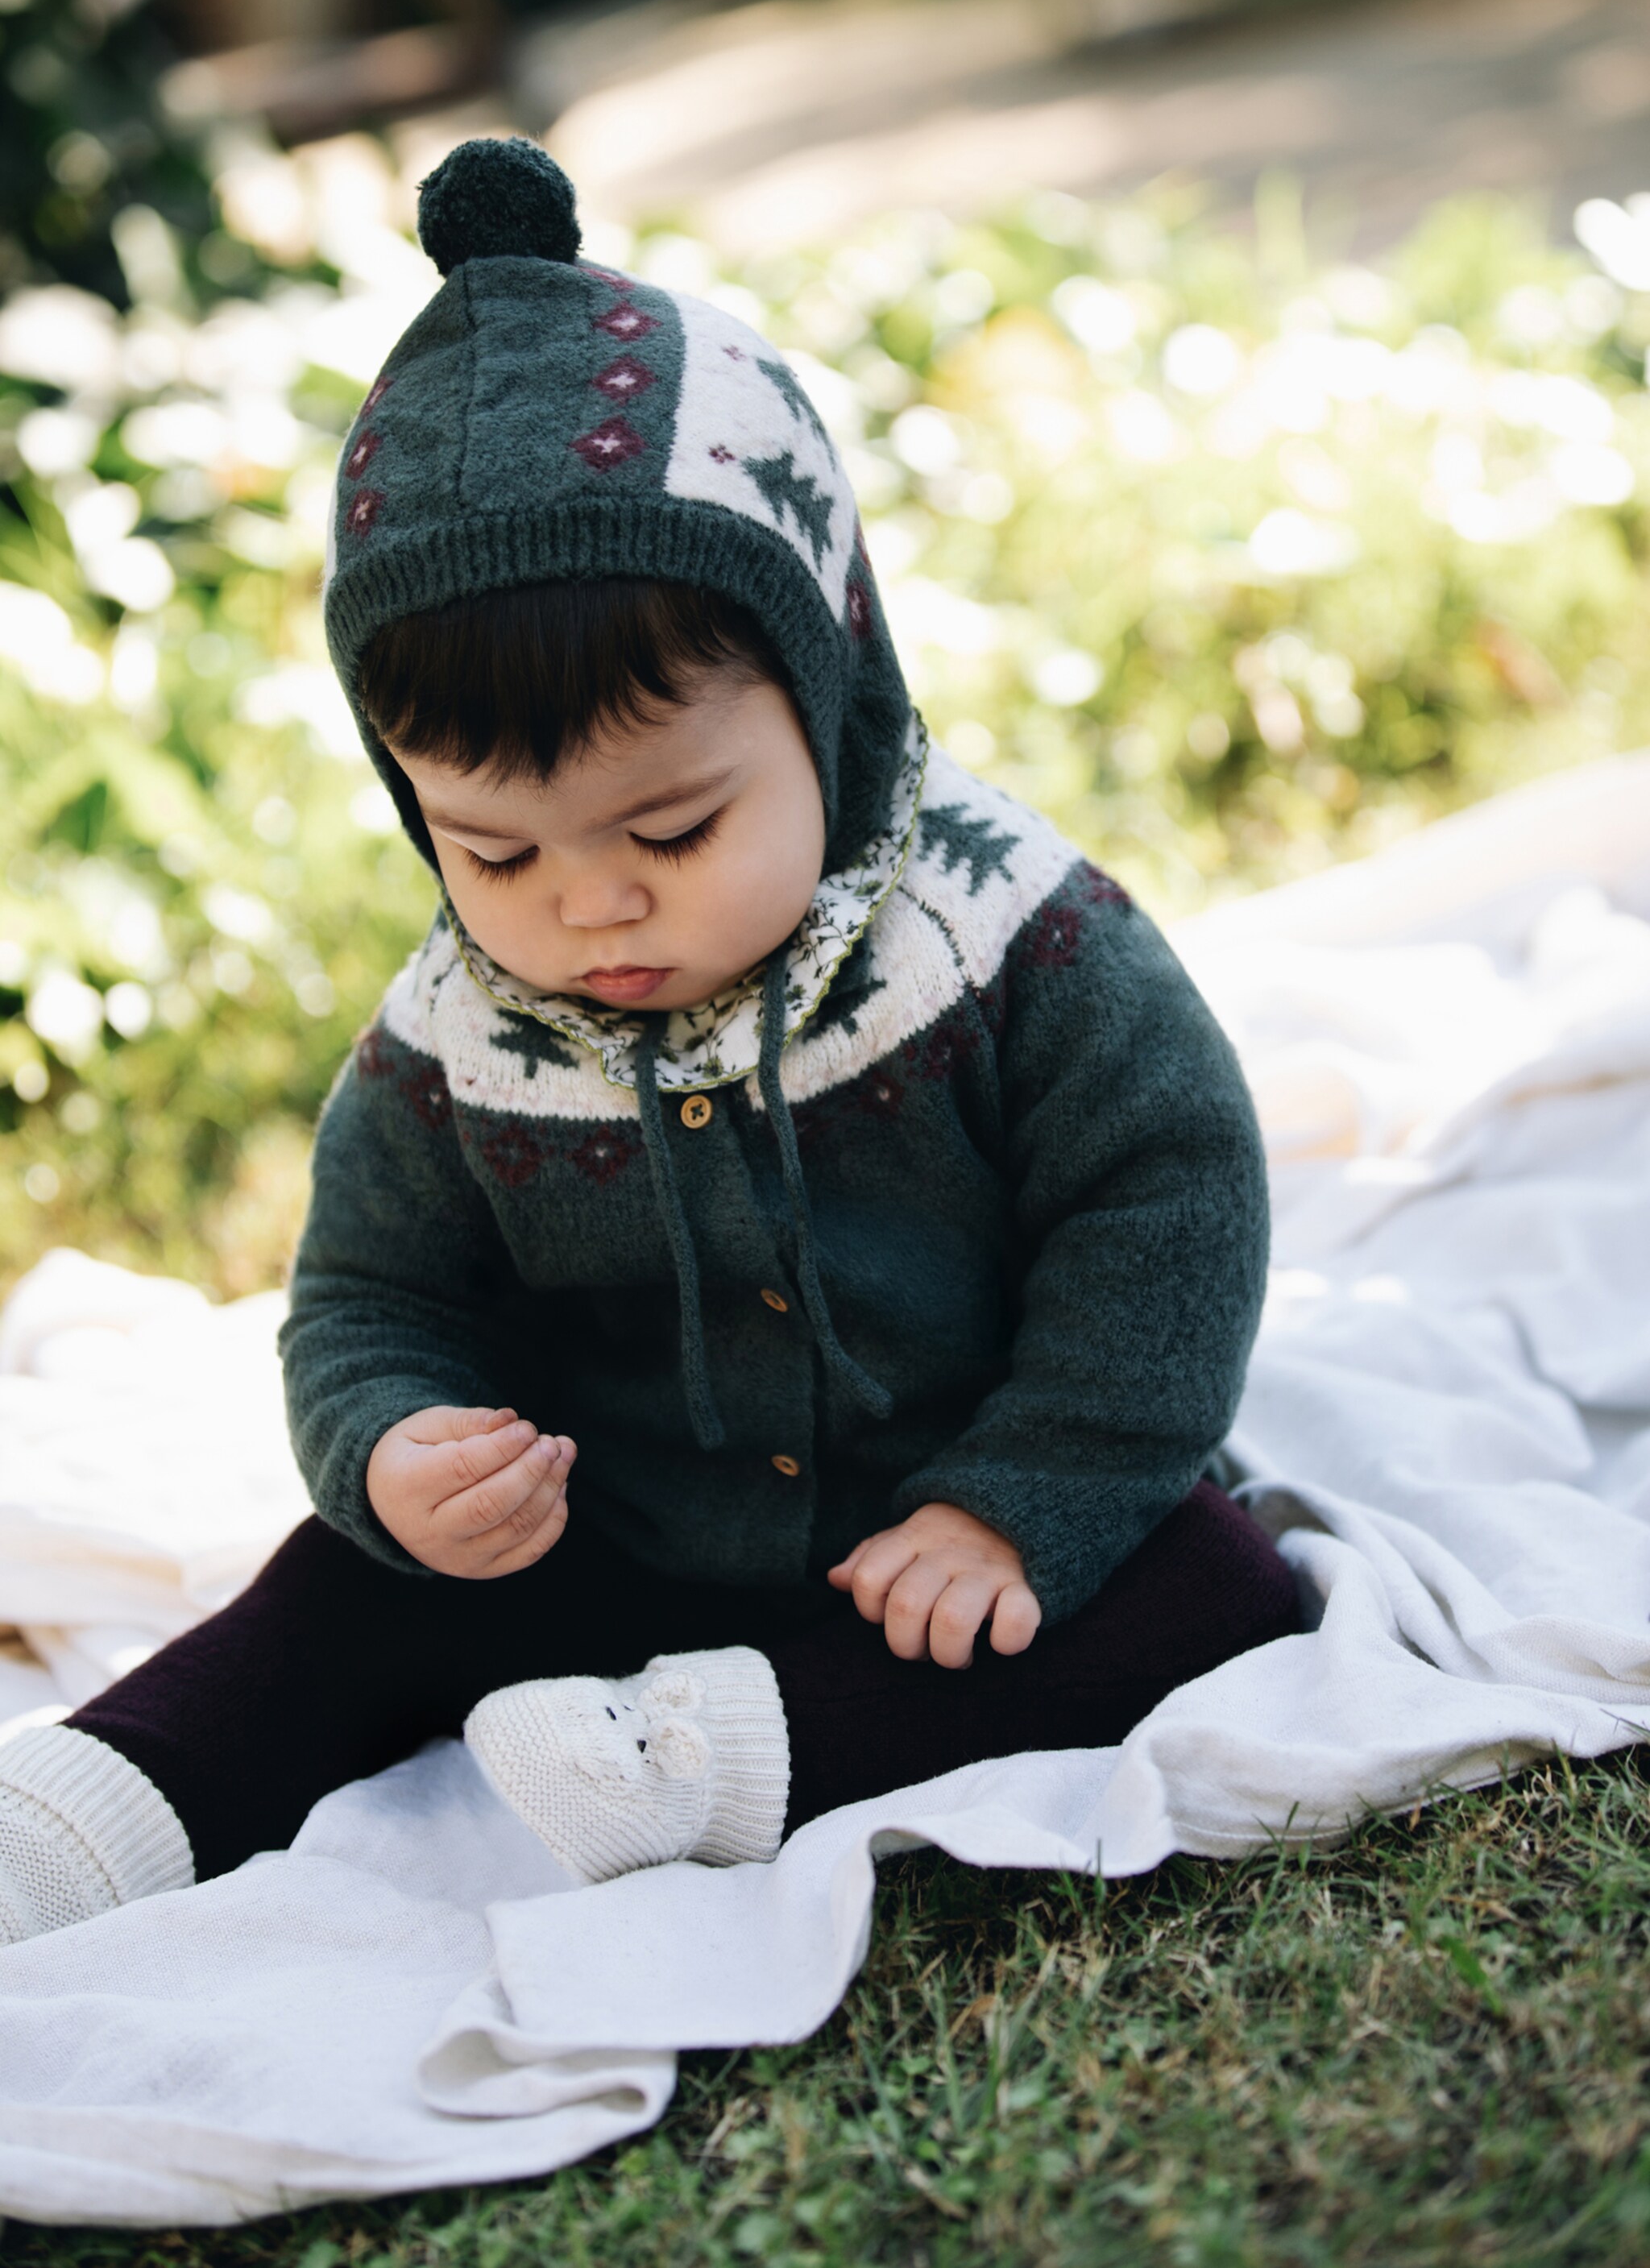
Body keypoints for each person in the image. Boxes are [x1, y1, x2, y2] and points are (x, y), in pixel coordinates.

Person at [0, 138, 1296, 1943]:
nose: (587, 909)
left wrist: (1022, 1502)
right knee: (343, 1591)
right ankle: (84, 1809)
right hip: (606, 1539)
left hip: (956, 1523)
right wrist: (394, 1455)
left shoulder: (999, 933)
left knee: (1213, 1586)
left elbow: (1169, 1196)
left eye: (670, 834)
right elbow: (372, 1297)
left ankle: (709, 1753)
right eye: (493, 851)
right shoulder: (459, 1036)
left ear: (828, 698)